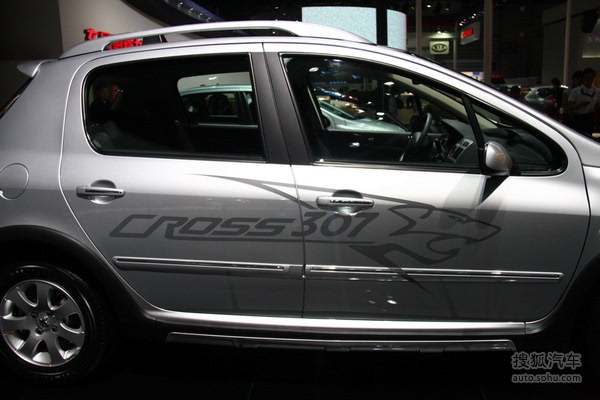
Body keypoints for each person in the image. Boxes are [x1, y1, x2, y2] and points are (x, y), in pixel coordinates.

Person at [567, 68, 600, 137]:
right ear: (583, 78)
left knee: (588, 137)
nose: (589, 81)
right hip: (578, 118)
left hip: (590, 118)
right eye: (587, 78)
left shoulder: (597, 91)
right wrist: (580, 104)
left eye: (591, 78)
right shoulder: (575, 91)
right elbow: (569, 107)